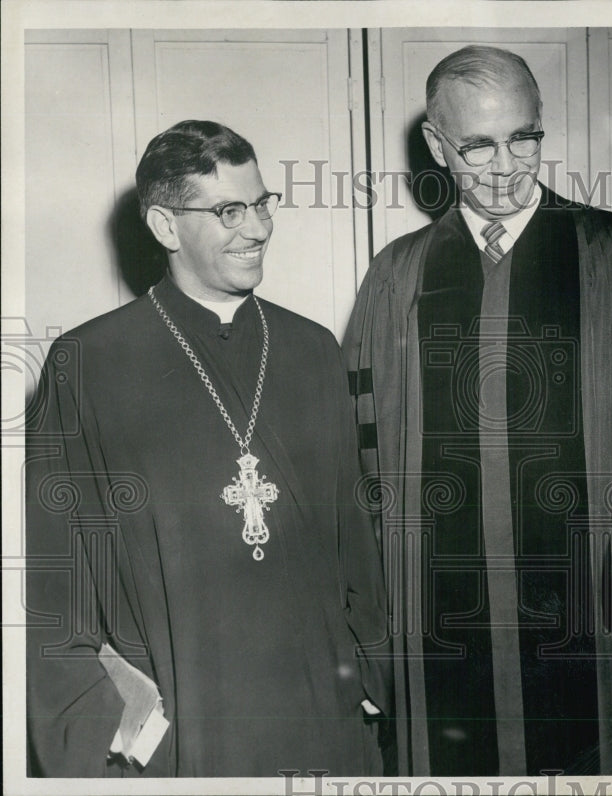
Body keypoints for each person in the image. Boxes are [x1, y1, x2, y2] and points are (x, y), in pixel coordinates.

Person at [343, 45, 612, 777]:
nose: (506, 165)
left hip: (594, 606)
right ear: (436, 146)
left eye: (525, 138)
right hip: (435, 615)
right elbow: (362, 459)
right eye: (477, 146)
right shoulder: (398, 274)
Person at [25, 120, 390, 777]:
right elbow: (57, 574)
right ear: (165, 226)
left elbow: (353, 540)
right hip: (181, 713)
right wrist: (95, 728)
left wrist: (368, 676)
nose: (257, 229)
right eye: (229, 210)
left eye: (261, 203)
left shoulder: (311, 351)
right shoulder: (88, 363)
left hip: (316, 708)